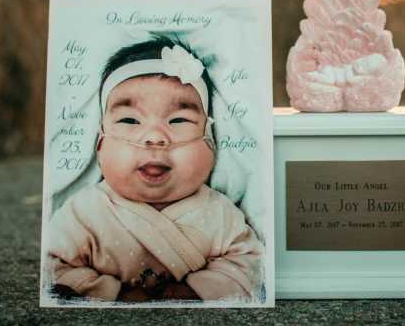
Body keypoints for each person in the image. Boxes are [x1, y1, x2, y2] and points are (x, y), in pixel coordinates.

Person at [45, 37, 264, 303]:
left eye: (179, 120)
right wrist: (105, 292)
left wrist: (198, 290)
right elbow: (53, 266)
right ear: (100, 142)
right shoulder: (83, 212)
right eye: (129, 120)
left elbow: (249, 263)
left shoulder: (220, 214)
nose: (155, 137)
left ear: (210, 140)